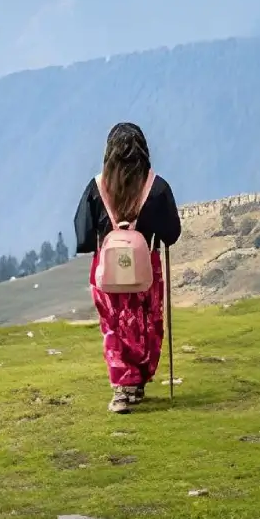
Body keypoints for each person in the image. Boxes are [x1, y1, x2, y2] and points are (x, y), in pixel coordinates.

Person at [73, 122, 181, 413]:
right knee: (147, 324)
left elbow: (83, 236)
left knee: (114, 328)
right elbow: (171, 233)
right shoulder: (156, 187)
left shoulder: (97, 188)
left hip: (107, 271)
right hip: (146, 268)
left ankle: (123, 387)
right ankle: (138, 380)